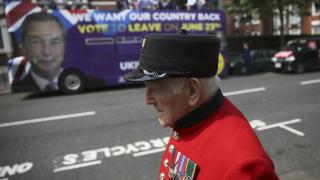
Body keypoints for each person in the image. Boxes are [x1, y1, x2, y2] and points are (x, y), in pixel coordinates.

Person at [124, 32, 279, 179]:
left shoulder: (243, 166)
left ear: (192, 91)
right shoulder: (189, 118)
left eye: (154, 89)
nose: (147, 99)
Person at [11, 12, 65, 92]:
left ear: (64, 45)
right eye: (36, 42)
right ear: (23, 48)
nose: (47, 52)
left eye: (54, 42)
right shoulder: (19, 86)